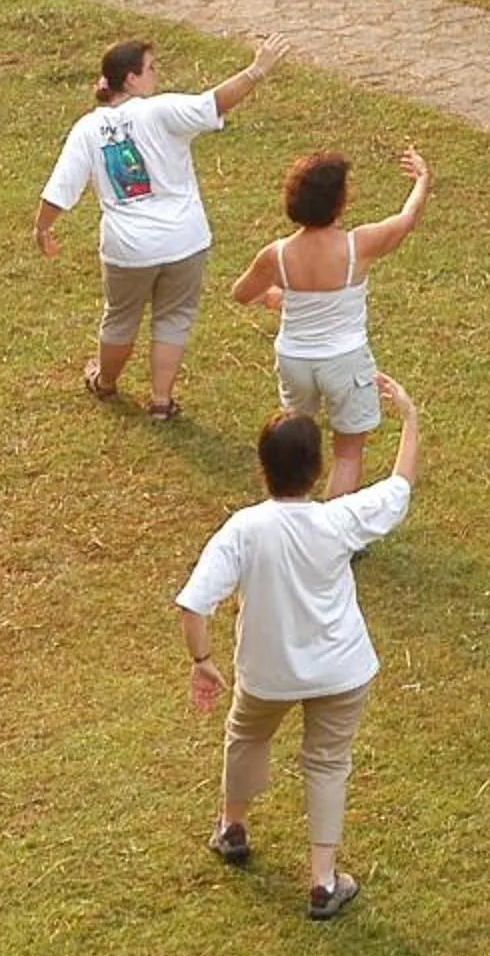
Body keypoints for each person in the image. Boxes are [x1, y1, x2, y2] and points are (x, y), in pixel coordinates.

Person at [175, 376, 422, 920]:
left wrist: (202, 662)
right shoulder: (338, 520)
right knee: (327, 765)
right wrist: (408, 418)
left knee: (246, 736)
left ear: (263, 466)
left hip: (267, 673)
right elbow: (400, 485)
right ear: (315, 471)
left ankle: (233, 828)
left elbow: (194, 604)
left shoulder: (244, 530)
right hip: (342, 669)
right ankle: (323, 881)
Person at [35, 35, 288, 422]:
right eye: (151, 68)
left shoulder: (87, 129)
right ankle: (161, 401)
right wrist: (257, 70)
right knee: (174, 317)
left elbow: (60, 188)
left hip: (127, 248)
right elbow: (216, 101)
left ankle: (105, 383)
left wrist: (43, 229)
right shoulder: (161, 111)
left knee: (120, 317)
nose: (156, 75)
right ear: (131, 79)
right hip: (185, 241)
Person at [227, 145, 431, 495]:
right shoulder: (358, 246)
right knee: (348, 452)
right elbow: (406, 219)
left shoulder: (276, 254)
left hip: (295, 360)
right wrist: (423, 180)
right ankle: (336, 535)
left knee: (295, 446)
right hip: (344, 361)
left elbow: (242, 293)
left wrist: (280, 297)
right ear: (339, 202)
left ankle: (293, 516)